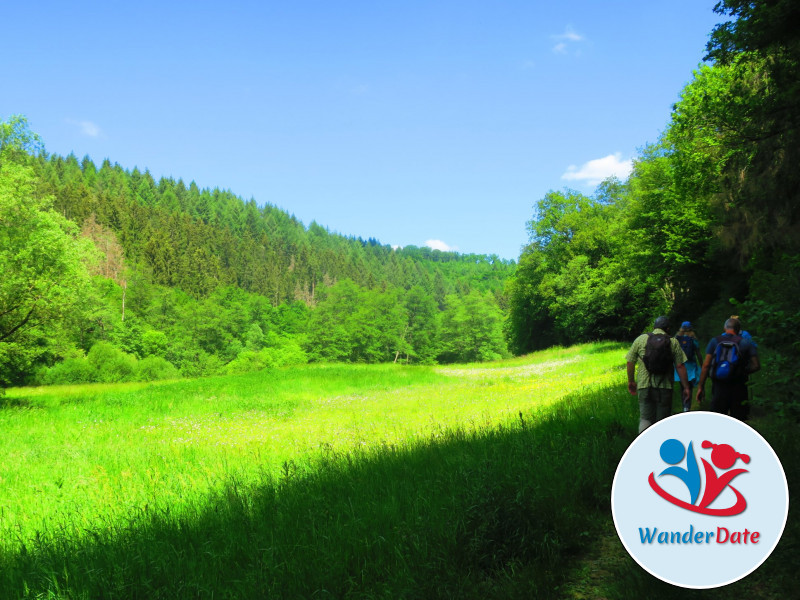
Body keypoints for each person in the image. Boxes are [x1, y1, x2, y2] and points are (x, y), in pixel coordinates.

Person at [626, 316, 691, 433]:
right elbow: (680, 366)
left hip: (644, 386)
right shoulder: (673, 342)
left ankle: (644, 446)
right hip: (664, 387)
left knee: (645, 419)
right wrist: (686, 387)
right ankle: (659, 448)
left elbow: (630, 362)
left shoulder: (641, 339)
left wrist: (631, 381)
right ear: (668, 328)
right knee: (662, 423)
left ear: (654, 327)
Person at [696, 317, 760, 420]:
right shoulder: (745, 343)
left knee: (718, 419)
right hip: (739, 387)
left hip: (719, 386)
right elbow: (756, 365)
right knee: (739, 420)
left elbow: (706, 365)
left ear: (724, 327)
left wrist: (700, 387)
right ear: (739, 330)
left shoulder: (715, 341)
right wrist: (743, 372)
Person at [674, 321, 703, 412]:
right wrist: (702, 365)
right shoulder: (693, 339)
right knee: (689, 388)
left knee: (683, 387)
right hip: (691, 368)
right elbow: (698, 354)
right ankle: (687, 407)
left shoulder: (677, 339)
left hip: (679, 368)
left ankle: (684, 406)